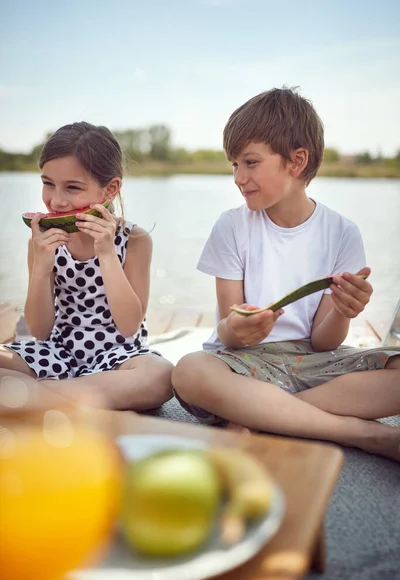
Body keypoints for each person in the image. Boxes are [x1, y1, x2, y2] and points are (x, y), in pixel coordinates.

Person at [172, 87, 400, 462]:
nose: (237, 177)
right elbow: (228, 330)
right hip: (242, 363)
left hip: (312, 360)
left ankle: (260, 417)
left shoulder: (343, 233)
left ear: (296, 162)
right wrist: (239, 329)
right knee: (189, 372)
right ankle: (360, 433)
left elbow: (325, 343)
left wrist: (343, 311)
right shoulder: (231, 226)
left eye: (250, 162)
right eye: (234, 165)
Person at [0, 122, 173, 410]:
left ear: (110, 189)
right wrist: (42, 267)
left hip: (118, 359)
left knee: (161, 376)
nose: (56, 200)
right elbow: (40, 330)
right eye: (47, 183)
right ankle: (67, 397)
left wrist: (106, 254)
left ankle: (37, 395)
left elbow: (129, 325)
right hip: (57, 352)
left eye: (73, 188)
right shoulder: (41, 241)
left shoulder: (135, 240)